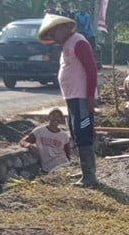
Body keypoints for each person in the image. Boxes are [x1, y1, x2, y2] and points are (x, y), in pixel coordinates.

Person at [38, 13, 99, 187]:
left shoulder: (78, 42)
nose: (53, 37)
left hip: (81, 97)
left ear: (64, 28)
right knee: (76, 132)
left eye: (54, 32)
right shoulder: (67, 44)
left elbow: (91, 69)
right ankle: (85, 171)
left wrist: (90, 96)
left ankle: (90, 177)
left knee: (83, 133)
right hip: (73, 97)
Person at [21, 108, 74, 173]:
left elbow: (67, 154)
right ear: (49, 117)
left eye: (58, 116)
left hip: (63, 164)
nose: (56, 118)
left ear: (61, 119)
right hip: (49, 168)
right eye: (53, 115)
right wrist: (29, 145)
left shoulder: (64, 135)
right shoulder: (39, 131)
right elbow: (23, 141)